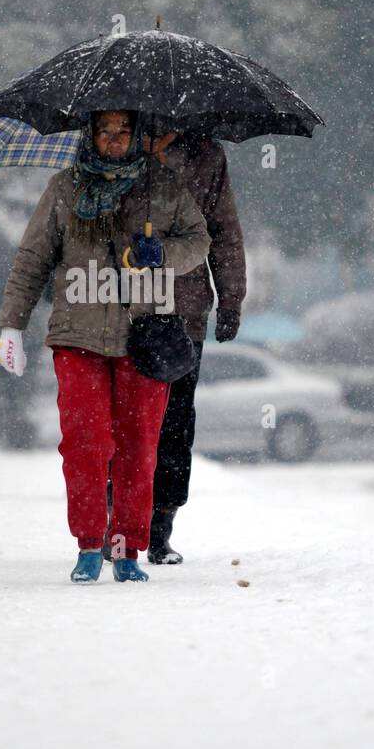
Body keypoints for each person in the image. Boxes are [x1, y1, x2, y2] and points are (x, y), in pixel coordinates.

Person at [0, 108, 210, 584]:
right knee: (86, 445)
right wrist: (12, 325)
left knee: (139, 447)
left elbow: (200, 241)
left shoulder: (163, 186)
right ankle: (90, 543)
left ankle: (128, 547)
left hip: (144, 337)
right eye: (104, 130)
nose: (114, 139)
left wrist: (163, 256)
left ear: (137, 136)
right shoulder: (65, 188)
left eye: (124, 130)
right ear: (90, 135)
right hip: (78, 337)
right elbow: (32, 258)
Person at [130, 126, 247, 564]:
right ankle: (117, 522)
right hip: (124, 304)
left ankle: (160, 527)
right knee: (124, 420)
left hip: (185, 308)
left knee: (175, 423)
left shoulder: (207, 155)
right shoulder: (116, 139)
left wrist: (231, 298)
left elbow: (224, 229)